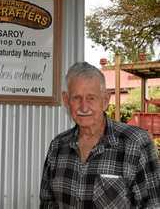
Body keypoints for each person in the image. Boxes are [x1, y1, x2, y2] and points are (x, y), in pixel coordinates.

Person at [40, 62, 160, 208]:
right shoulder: (58, 146)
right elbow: (47, 203)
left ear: (105, 101)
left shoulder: (136, 143)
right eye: (76, 98)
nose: (84, 107)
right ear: (66, 100)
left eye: (91, 98)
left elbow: (153, 204)